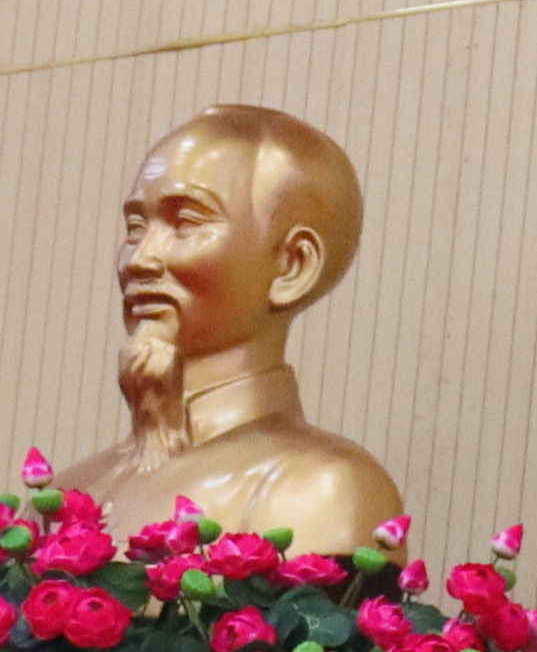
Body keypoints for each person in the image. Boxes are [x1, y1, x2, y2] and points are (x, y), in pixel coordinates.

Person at [54, 106, 406, 555]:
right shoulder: (65, 495)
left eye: (185, 223)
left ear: (293, 266)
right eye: (136, 227)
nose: (140, 259)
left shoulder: (323, 488)